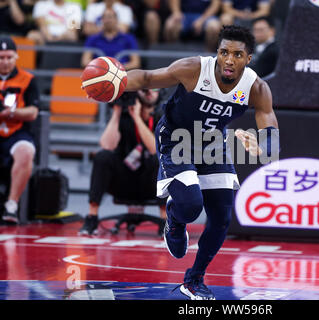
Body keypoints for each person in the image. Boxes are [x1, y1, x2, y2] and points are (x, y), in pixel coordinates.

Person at [102, 25, 280, 299]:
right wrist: (116, 81)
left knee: (221, 218)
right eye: (223, 52)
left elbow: (270, 135)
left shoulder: (256, 88)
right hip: (177, 138)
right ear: (217, 53)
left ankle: (194, 279)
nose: (229, 60)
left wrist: (260, 145)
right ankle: (174, 219)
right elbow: (148, 77)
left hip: (212, 144)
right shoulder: (193, 69)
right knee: (190, 206)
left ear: (248, 58)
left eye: (237, 54)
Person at [79, 88, 167, 236]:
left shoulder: (162, 117)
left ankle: (166, 221)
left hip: (150, 184)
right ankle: (92, 217)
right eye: (145, 89)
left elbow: (155, 149)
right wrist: (117, 112)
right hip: (124, 181)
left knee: (161, 161)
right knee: (102, 157)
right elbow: (107, 144)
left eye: (155, 89)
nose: (150, 92)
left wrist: (138, 119)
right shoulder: (124, 117)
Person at [0, 36, 39, 224]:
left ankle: (12, 205)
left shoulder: (28, 79)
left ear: (16, 56)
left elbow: (33, 111)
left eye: (9, 57)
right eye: (1, 58)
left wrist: (12, 112)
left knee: (26, 151)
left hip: (16, 132)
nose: (5, 62)